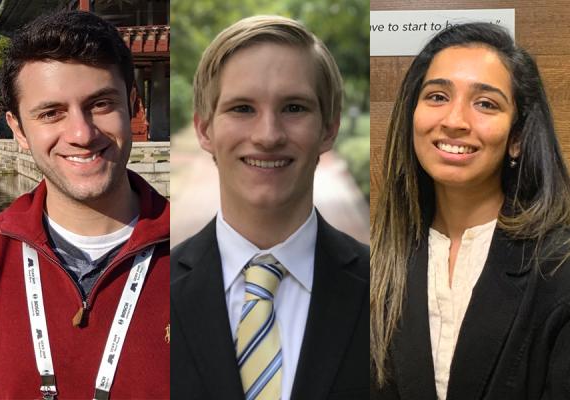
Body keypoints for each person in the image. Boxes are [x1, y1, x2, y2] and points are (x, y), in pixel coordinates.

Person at [0, 10, 169, 399]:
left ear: (133, 106)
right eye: (51, 113)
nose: (81, 133)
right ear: (18, 130)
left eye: (100, 104)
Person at [170, 15, 369, 399]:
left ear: (328, 129)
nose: (267, 136)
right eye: (242, 108)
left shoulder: (384, 291)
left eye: (293, 108)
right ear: (204, 130)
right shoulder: (157, 291)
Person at [371, 22, 570, 399]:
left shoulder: (560, 267)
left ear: (516, 138)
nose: (454, 121)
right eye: (437, 96)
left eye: (485, 104)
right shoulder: (378, 263)